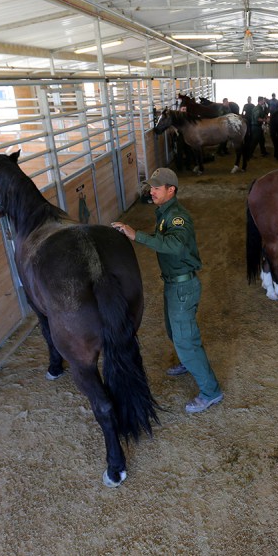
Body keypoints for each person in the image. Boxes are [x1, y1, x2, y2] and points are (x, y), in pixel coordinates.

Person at [111, 168, 223, 414]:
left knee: (186, 340)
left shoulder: (177, 217)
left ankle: (211, 391)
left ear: (171, 190)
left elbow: (174, 244)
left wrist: (135, 234)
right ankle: (187, 361)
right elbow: (164, 238)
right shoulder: (164, 213)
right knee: (175, 331)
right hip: (174, 284)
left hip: (182, 286)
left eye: (157, 187)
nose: (151, 191)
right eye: (151, 186)